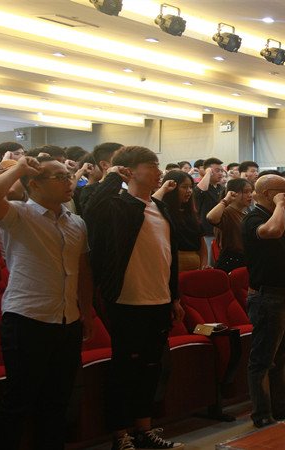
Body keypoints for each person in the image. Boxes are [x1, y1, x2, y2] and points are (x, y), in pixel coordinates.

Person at [0, 155, 95, 449]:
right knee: (19, 401)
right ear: (35, 185)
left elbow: (82, 271)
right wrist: (18, 168)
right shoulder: (19, 214)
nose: (69, 182)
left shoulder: (76, 222)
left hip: (67, 320)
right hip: (27, 319)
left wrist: (87, 312)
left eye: (68, 176)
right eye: (60, 177)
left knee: (57, 401)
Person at [82, 146, 184, 450]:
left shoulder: (159, 206)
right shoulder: (117, 205)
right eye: (151, 166)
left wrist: (175, 297)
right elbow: (91, 209)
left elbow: (170, 256)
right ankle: (120, 435)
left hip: (159, 298)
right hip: (126, 299)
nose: (159, 172)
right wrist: (114, 176)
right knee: (124, 371)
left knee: (152, 367)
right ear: (129, 171)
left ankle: (144, 430)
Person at [241, 175, 285, 428]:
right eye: (284, 191)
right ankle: (262, 413)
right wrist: (280, 205)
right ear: (267, 194)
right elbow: (273, 231)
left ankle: (279, 405)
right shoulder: (253, 218)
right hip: (268, 298)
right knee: (263, 359)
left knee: (281, 356)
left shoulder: (275, 214)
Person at [156, 170, 209, 273]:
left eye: (191, 187)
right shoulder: (164, 212)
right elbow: (151, 205)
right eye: (184, 187)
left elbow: (202, 245)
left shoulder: (191, 214)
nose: (189, 191)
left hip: (195, 268)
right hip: (174, 268)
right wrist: (164, 189)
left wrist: (203, 265)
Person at [207, 178, 253, 273]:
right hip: (231, 262)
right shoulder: (227, 211)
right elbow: (211, 218)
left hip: (245, 259)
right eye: (245, 192)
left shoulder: (245, 213)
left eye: (251, 192)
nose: (250, 195)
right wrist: (226, 200)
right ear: (233, 194)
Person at [194, 157, 225, 265]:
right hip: (207, 231)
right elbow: (200, 191)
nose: (220, 173)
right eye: (216, 170)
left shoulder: (222, 189)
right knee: (208, 263)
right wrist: (207, 173)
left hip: (221, 231)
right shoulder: (202, 187)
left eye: (221, 170)